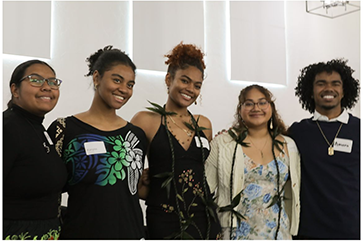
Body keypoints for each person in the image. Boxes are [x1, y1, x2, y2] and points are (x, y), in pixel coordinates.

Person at [47, 46, 147, 239]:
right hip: (80, 233)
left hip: (130, 234)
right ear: (96, 78)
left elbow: (132, 190)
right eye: (117, 80)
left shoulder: (135, 136)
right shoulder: (64, 129)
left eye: (130, 84)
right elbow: (48, 190)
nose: (124, 89)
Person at [132, 42, 221, 239]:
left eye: (197, 85)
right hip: (164, 219)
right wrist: (146, 180)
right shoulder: (145, 121)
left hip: (204, 218)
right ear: (168, 79)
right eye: (185, 81)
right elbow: (130, 180)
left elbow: (203, 171)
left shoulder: (204, 124)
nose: (190, 89)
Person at [205, 84, 301, 240]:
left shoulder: (289, 145)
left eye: (262, 102)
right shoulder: (223, 144)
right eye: (249, 103)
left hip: (278, 233)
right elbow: (204, 189)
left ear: (271, 107)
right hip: (235, 234)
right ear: (240, 110)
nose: (256, 108)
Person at [289, 59, 360, 239]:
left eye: (335, 84)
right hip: (308, 231)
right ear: (311, 92)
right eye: (321, 84)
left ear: (344, 91)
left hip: (352, 229)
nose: (328, 88)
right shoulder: (298, 131)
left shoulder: (359, 130)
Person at [3, 60, 67, 240]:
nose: (47, 87)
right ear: (15, 90)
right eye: (36, 80)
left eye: (53, 82)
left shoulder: (39, 129)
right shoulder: (7, 128)